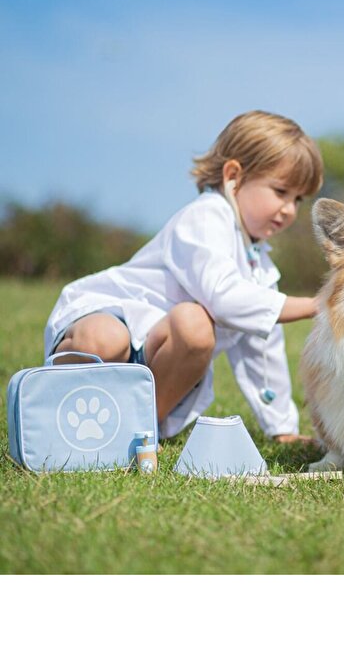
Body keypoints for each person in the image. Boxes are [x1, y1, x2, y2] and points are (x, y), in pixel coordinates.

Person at [44, 110, 323, 443]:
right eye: (280, 192)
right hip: (111, 321)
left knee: (194, 327)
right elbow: (225, 299)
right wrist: (312, 305)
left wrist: (282, 429)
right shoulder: (205, 218)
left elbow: (262, 351)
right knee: (106, 338)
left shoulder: (259, 266)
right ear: (234, 176)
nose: (290, 209)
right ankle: (55, 415)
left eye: (298, 199)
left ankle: (136, 433)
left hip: (157, 355)